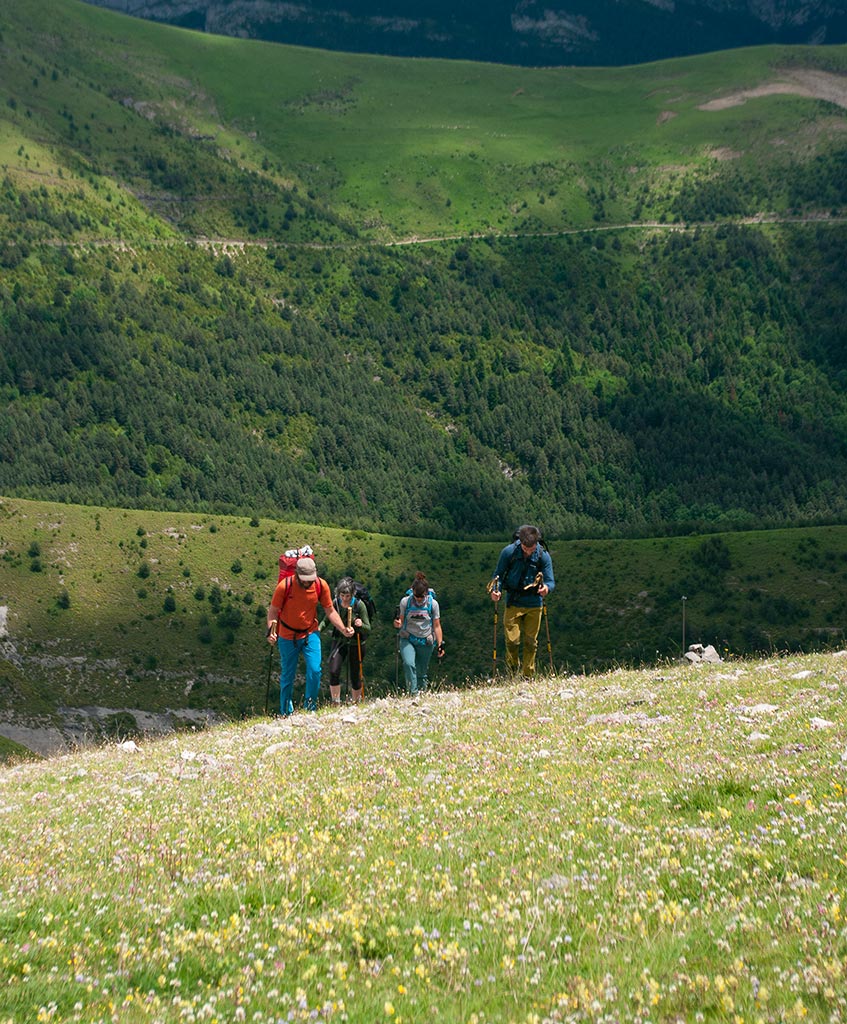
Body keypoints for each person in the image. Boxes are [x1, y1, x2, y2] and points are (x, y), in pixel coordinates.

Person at [266, 557, 354, 714]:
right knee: (288, 675)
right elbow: (272, 612)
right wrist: (271, 632)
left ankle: (310, 709)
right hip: (286, 635)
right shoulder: (284, 587)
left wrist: (343, 629)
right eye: (305, 580)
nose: (308, 583)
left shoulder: (320, 585)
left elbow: (330, 610)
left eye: (310, 579)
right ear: (297, 574)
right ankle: (286, 712)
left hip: (310, 633)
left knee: (315, 670)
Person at [489, 524, 554, 678]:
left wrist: (546, 589)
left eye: (531, 549)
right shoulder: (509, 552)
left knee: (531, 642)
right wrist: (495, 590)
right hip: (513, 601)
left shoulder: (543, 556)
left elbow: (550, 581)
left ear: (536, 543)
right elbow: (497, 575)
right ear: (521, 542)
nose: (528, 551)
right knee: (512, 641)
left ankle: (528, 675)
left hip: (534, 603)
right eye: (525, 548)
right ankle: (512, 670)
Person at [393, 572, 444, 695]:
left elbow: (437, 625)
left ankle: (422, 695)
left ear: (426, 593)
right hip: (407, 638)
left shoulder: (433, 604)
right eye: (416, 596)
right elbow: (400, 621)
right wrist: (397, 623)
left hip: (426, 640)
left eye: (421, 596)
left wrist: (440, 644)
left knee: (421, 672)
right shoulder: (405, 602)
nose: (419, 599)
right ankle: (413, 694)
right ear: (412, 592)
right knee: (409, 664)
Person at [322, 577, 371, 704]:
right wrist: (317, 630)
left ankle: (356, 702)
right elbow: (326, 620)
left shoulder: (359, 605)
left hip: (356, 643)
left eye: (347, 595)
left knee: (355, 675)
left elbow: (368, 628)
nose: (344, 598)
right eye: (342, 595)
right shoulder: (335, 603)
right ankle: (336, 702)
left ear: (353, 594)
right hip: (339, 641)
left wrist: (360, 625)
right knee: (334, 670)